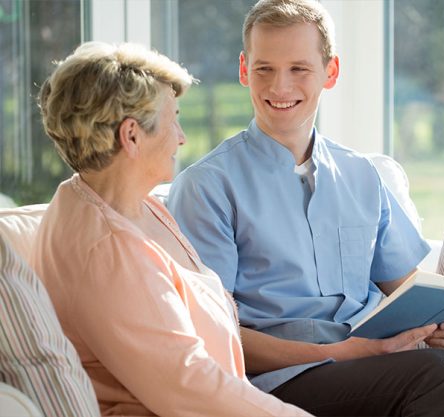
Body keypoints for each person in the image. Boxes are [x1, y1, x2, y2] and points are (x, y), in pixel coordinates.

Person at [168, 0, 444, 415]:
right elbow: (213, 334)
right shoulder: (207, 187)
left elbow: (409, 287)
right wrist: (346, 353)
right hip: (282, 382)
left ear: (331, 72)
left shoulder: (362, 175)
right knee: (441, 376)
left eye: (299, 68)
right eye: (264, 69)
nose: (279, 87)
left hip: (383, 366)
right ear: (243, 70)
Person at [31, 41, 311, 417]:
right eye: (173, 119)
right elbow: (190, 384)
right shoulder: (110, 251)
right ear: (131, 136)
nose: (181, 137)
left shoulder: (110, 200)